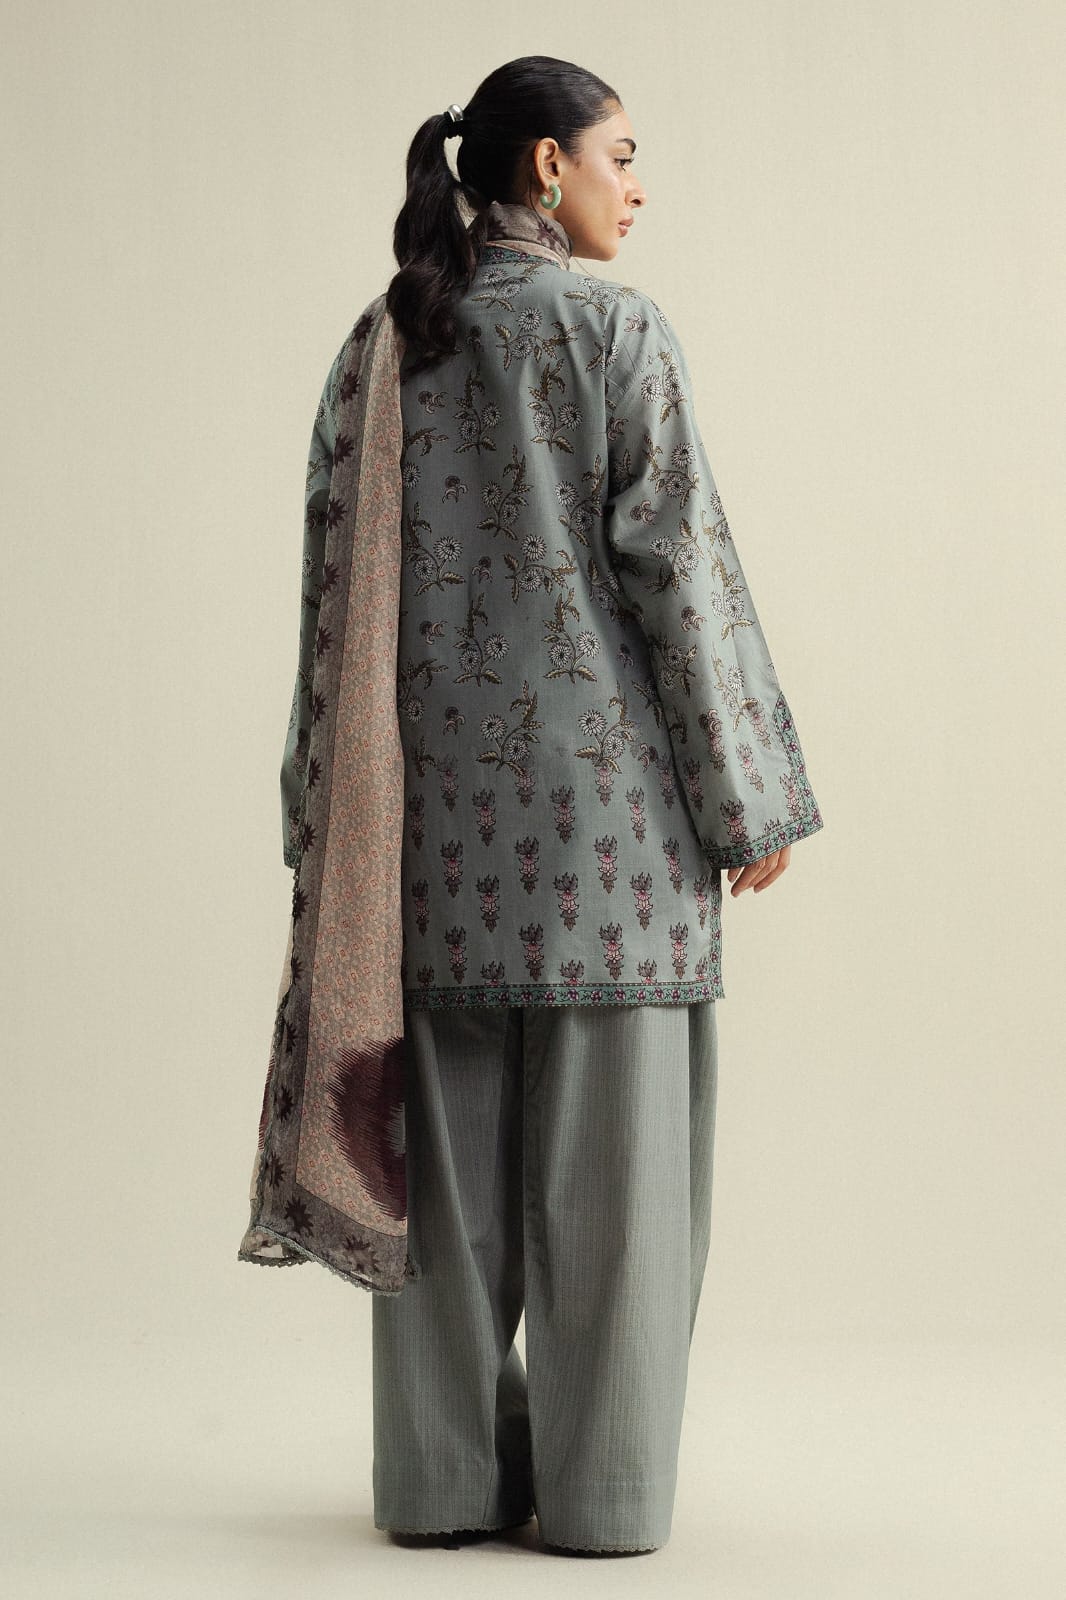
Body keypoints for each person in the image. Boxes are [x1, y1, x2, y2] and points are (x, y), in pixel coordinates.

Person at [280, 55, 823, 1556]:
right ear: (544, 167)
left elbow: (328, 600)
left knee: (443, 1200)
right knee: (615, 1204)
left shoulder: (386, 340)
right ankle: (603, 1501)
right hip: (611, 853)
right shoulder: (614, 331)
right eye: (621, 156)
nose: (636, 187)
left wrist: (314, 811)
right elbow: (678, 571)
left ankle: (439, 1490)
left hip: (428, 843)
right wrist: (748, 799)